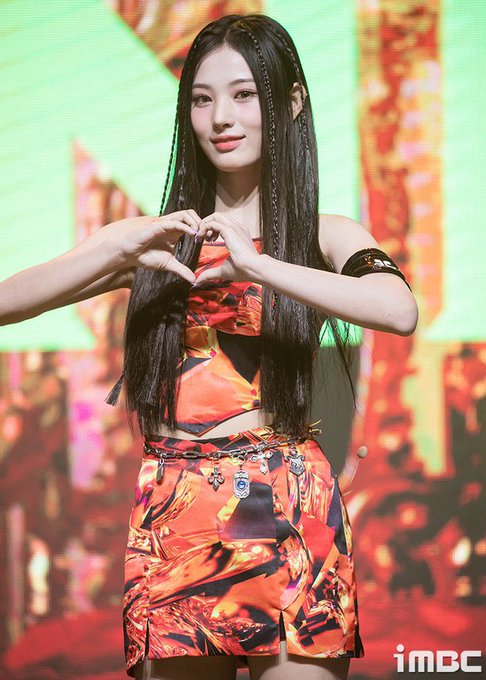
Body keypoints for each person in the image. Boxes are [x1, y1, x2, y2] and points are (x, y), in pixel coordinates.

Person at [0, 13, 418, 680]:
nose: (221, 117)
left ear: (291, 102)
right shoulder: (163, 240)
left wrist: (260, 266)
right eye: (201, 99)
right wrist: (115, 247)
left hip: (284, 503)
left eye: (244, 94)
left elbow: (398, 309)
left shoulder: (323, 234)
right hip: (176, 507)